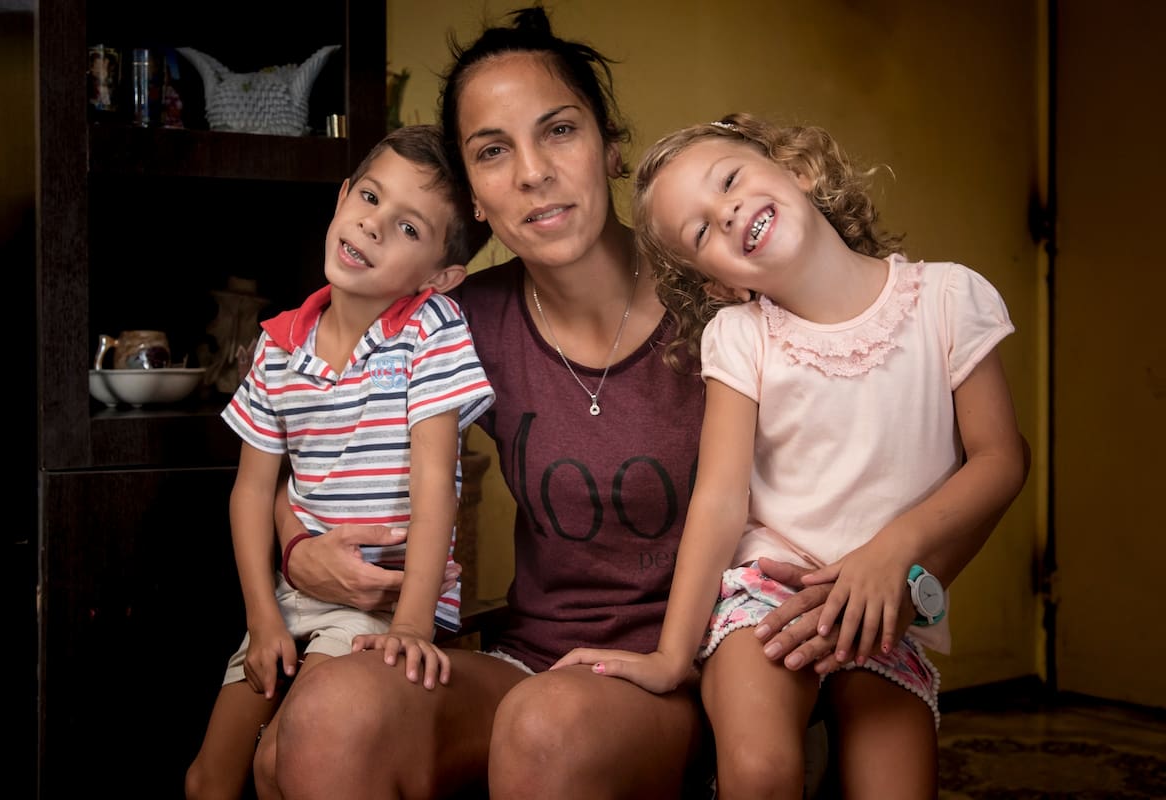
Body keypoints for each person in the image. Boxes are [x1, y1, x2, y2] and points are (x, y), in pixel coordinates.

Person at [255, 9, 1025, 799]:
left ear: (609, 145)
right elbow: (314, 433)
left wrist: (889, 589)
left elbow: (904, 463)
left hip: (700, 667)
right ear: (475, 197)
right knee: (326, 719)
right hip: (529, 658)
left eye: (558, 131)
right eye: (492, 151)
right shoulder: (458, 321)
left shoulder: (739, 298)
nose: (531, 172)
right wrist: (296, 545)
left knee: (547, 728)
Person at [553, 113, 1028, 798]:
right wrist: (669, 656)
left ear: (795, 170)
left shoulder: (951, 298)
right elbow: (720, 501)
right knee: (762, 770)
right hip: (767, 595)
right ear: (718, 284)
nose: (727, 212)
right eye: (701, 231)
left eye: (730, 180)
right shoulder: (742, 337)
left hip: (885, 607)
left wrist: (893, 556)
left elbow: (1000, 459)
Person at [184, 123, 495, 800]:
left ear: (441, 275)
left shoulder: (428, 329)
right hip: (291, 598)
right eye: (371, 199)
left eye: (409, 228)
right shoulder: (277, 345)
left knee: (290, 765)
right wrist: (263, 617)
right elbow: (251, 492)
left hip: (384, 607)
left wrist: (414, 621)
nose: (374, 226)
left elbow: (436, 480)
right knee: (208, 778)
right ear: (343, 195)